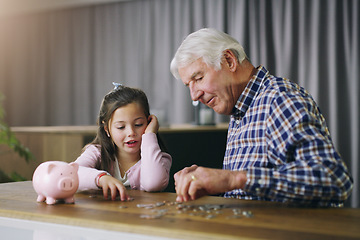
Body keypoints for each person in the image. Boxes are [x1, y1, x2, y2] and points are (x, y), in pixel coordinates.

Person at [170, 28, 353, 206]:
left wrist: (233, 179)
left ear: (229, 60)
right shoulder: (239, 107)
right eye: (189, 85)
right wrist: (212, 186)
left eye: (199, 78)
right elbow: (252, 194)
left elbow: (333, 180)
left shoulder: (281, 99)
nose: (194, 96)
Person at [75, 83, 172, 201]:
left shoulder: (158, 158)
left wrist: (150, 134)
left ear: (148, 122)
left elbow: (153, 184)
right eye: (121, 127)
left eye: (138, 124)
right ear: (107, 130)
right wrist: (101, 178)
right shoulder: (97, 152)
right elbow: (73, 173)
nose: (131, 132)